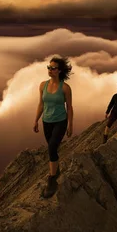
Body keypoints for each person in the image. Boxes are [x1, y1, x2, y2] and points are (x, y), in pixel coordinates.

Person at [33, 56, 74, 198]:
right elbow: (41, 104)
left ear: (60, 71)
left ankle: (52, 179)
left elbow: (69, 107)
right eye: (49, 67)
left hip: (60, 121)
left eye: (53, 68)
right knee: (53, 149)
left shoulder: (65, 88)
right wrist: (36, 120)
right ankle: (56, 170)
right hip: (46, 121)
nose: (50, 70)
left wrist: (70, 124)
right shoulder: (42, 85)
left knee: (51, 147)